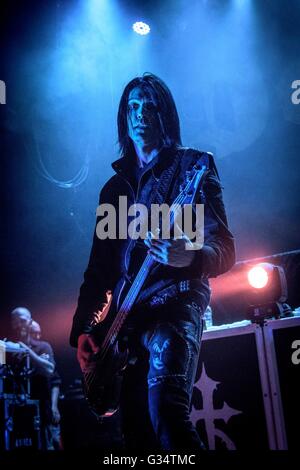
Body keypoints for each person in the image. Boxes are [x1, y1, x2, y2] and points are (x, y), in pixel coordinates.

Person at [70, 73, 235, 451]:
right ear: (124, 118)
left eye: (150, 106)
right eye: (133, 107)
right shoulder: (114, 189)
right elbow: (100, 274)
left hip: (174, 307)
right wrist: (84, 329)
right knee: (136, 437)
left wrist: (191, 257)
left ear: (166, 116)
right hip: (124, 325)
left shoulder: (192, 167)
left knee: (168, 418)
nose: (140, 114)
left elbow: (224, 249)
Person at [10, 308, 55, 449]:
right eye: (15, 322)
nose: (19, 325)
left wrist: (27, 351)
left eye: (22, 321)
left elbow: (50, 370)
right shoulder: (8, 348)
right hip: (16, 411)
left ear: (30, 322)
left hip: (41, 410)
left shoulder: (43, 347)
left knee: (44, 443)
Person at [30, 320, 63, 450]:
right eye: (34, 333)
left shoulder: (44, 347)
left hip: (46, 406)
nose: (37, 336)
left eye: (39, 333)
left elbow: (55, 381)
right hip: (30, 406)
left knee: (53, 440)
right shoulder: (21, 350)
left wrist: (54, 407)